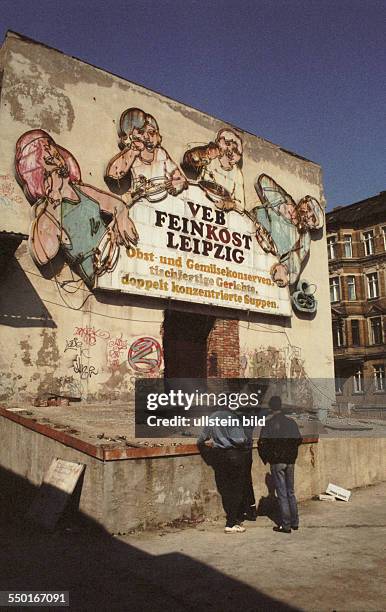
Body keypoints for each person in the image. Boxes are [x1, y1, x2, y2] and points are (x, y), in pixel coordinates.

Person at [15, 129, 138, 287]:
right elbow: (43, 254)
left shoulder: (81, 190)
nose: (50, 150)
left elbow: (117, 205)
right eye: (47, 156)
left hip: (118, 259)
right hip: (100, 273)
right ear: (38, 168)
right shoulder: (45, 209)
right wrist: (55, 200)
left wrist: (122, 217)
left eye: (51, 146)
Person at [105, 107, 187, 204]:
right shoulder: (133, 156)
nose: (147, 137)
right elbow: (113, 174)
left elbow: (181, 179)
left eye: (152, 132)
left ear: (158, 136)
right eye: (141, 132)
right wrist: (133, 151)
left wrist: (176, 185)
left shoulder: (161, 153)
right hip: (137, 207)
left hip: (163, 206)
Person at [197, 400, 250, 533]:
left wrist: (209, 456)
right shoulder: (232, 417)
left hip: (219, 457)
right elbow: (240, 440)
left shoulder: (212, 417)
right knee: (236, 490)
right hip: (234, 456)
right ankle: (232, 522)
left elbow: (201, 440)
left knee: (225, 490)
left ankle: (231, 521)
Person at [258, 396, 302, 534]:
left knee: (282, 494)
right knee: (291, 492)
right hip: (290, 461)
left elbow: (262, 443)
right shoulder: (291, 422)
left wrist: (266, 458)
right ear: (281, 406)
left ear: (271, 408)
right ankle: (295, 522)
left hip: (277, 462)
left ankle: (286, 524)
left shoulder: (269, 424)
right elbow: (298, 440)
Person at [183, 129, 246, 213]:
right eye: (225, 144)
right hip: (200, 205)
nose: (227, 150)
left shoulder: (237, 173)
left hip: (221, 216)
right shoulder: (211, 159)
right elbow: (189, 159)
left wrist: (230, 204)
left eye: (232, 147)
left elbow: (241, 206)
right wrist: (206, 153)